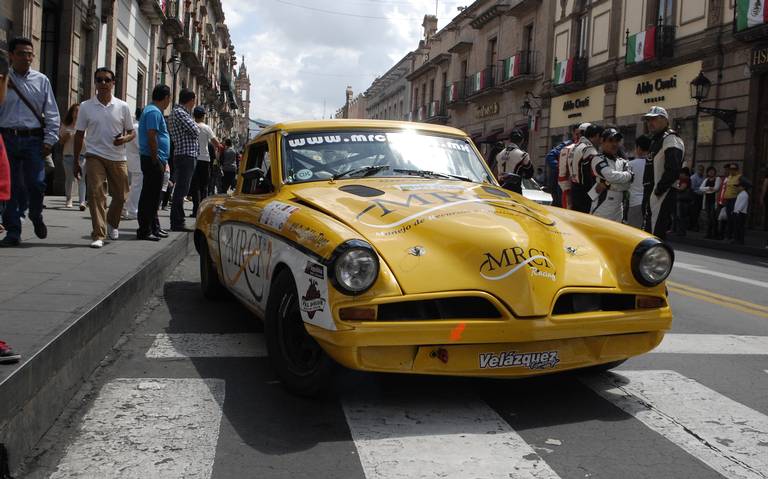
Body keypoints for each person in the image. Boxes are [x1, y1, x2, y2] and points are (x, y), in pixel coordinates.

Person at [0, 37, 60, 247]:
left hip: (34, 140)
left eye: (30, 54)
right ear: (11, 55)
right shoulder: (3, 80)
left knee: (36, 183)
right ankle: (13, 231)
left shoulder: (41, 80)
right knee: (12, 187)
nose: (26, 58)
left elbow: (52, 113)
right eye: (21, 53)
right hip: (7, 138)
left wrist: (49, 140)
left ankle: (36, 214)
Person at [72, 67, 135, 248]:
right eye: (99, 80)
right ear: (95, 83)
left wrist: (125, 138)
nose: (103, 83)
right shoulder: (86, 106)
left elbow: (132, 132)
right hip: (94, 155)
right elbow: (79, 134)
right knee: (96, 193)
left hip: (117, 156)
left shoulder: (123, 106)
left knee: (121, 196)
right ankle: (98, 234)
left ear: (113, 83)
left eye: (107, 80)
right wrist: (77, 160)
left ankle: (112, 223)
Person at [137, 85, 172, 241]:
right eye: (169, 98)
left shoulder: (154, 111)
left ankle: (154, 227)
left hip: (157, 158)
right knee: (150, 196)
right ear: (166, 98)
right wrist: (155, 158)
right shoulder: (153, 112)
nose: (169, 101)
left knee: (155, 195)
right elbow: (152, 136)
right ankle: (145, 229)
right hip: (153, 159)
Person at [643, 106, 684, 239]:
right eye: (648, 120)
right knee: (649, 232)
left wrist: (659, 190)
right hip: (653, 193)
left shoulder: (671, 139)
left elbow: (673, 168)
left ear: (665, 120)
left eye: (654, 119)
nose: (650, 123)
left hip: (661, 194)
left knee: (655, 235)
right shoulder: (657, 139)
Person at [168, 88, 199, 231]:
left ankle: (178, 221)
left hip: (182, 154)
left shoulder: (177, 112)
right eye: (194, 100)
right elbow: (195, 130)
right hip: (186, 154)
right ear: (191, 100)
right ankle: (177, 222)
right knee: (181, 190)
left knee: (181, 189)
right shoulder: (180, 113)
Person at [589, 128, 633, 222]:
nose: (614, 144)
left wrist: (606, 184)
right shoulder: (597, 159)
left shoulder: (623, 162)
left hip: (618, 210)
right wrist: (627, 176)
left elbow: (628, 184)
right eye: (610, 140)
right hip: (602, 208)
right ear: (602, 141)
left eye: (617, 141)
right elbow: (611, 176)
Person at [190, 106, 222, 217]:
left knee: (195, 186)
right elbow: (216, 143)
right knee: (204, 186)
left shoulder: (191, 125)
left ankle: (195, 210)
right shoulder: (206, 128)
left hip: (193, 158)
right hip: (205, 160)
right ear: (203, 116)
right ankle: (201, 211)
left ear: (194, 115)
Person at [570, 124, 603, 213]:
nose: (601, 141)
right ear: (597, 135)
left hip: (574, 187)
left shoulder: (575, 146)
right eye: (601, 137)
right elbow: (596, 171)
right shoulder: (589, 149)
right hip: (585, 191)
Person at [60, 104, 87, 210]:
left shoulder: (85, 126)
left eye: (79, 111)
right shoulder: (65, 125)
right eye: (75, 111)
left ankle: (82, 202)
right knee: (69, 178)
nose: (77, 113)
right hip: (68, 155)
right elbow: (61, 142)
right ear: (71, 112)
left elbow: (89, 142)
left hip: (82, 156)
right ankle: (69, 199)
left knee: (82, 179)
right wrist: (66, 136)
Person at [556, 123, 589, 209]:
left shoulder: (592, 149)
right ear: (574, 134)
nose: (580, 137)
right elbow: (562, 177)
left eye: (582, 134)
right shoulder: (567, 149)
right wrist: (568, 192)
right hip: (573, 191)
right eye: (577, 134)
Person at [626, 135, 651, 228]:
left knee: (633, 232)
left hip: (635, 202)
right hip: (650, 203)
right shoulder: (653, 164)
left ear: (638, 148)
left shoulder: (630, 164)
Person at [124, 107, 142, 220]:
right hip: (137, 161)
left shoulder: (135, 126)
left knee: (134, 186)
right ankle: (132, 210)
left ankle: (127, 208)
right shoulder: (138, 127)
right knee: (136, 186)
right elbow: (140, 146)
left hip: (133, 159)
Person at [722, 162, 743, 241]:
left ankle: (734, 236)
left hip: (734, 200)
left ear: (737, 169)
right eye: (730, 169)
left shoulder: (740, 177)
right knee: (729, 218)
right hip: (728, 199)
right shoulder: (729, 177)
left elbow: (746, 186)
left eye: (733, 169)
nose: (731, 170)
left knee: (734, 218)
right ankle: (728, 235)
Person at [699, 166, 722, 239]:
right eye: (709, 171)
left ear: (715, 172)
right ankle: (708, 233)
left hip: (713, 201)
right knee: (708, 218)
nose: (711, 172)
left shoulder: (718, 179)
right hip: (707, 201)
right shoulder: (706, 180)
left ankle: (715, 234)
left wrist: (707, 189)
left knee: (713, 217)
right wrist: (709, 188)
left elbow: (716, 188)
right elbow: (701, 188)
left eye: (712, 171)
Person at [673, 167, 693, 236]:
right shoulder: (682, 180)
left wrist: (675, 186)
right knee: (679, 216)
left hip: (683, 200)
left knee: (681, 216)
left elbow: (681, 188)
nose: (680, 175)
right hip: (681, 200)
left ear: (684, 174)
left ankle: (681, 231)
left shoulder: (686, 180)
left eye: (681, 173)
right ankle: (679, 231)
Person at [731, 177, 751, 245]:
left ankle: (740, 240)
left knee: (740, 227)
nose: (738, 188)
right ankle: (736, 239)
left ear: (743, 187)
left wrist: (737, 211)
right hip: (737, 212)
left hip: (740, 213)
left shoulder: (745, 194)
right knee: (736, 227)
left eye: (739, 186)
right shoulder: (741, 194)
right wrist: (734, 211)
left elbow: (741, 205)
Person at [689, 164, 705, 231]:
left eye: (702, 170)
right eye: (699, 170)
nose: (701, 171)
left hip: (701, 196)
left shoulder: (703, 178)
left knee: (698, 211)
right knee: (693, 211)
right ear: (697, 170)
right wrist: (700, 190)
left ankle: (695, 225)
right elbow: (692, 188)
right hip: (695, 196)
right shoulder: (693, 177)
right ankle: (692, 226)